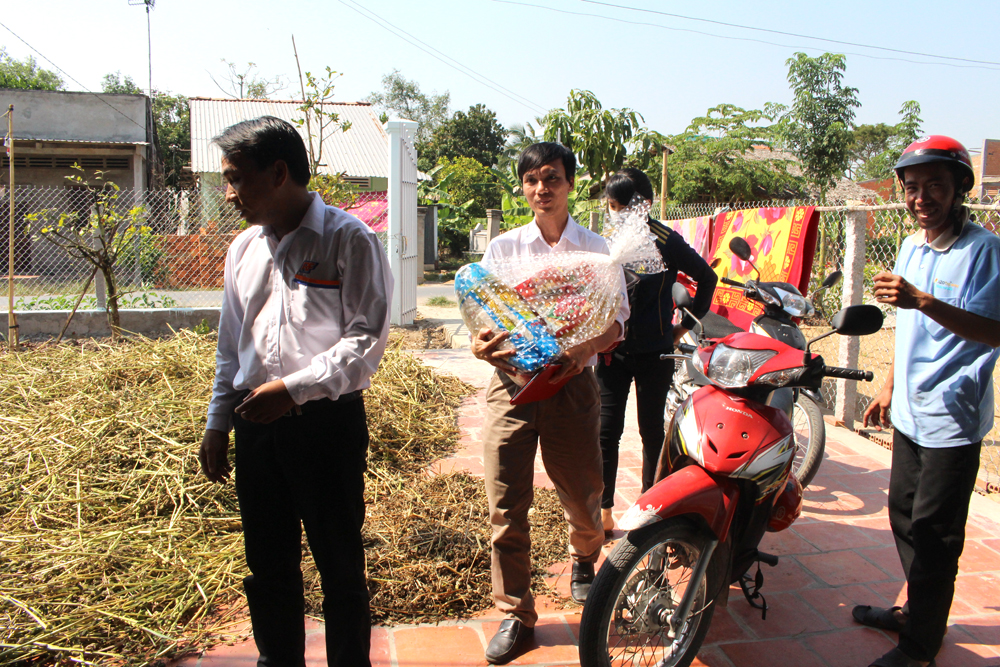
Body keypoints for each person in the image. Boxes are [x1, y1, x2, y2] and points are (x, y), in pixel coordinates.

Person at [198, 116, 393, 667]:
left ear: (279, 173)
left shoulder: (349, 239)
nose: (229, 194)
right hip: (255, 427)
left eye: (236, 179)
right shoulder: (243, 249)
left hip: (326, 428)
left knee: (340, 565)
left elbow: (365, 342)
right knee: (268, 564)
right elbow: (231, 343)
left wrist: (292, 389)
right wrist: (217, 422)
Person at [471, 142, 629, 664]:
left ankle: (585, 555)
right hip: (511, 387)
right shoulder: (503, 250)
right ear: (523, 186)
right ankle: (516, 614)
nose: (542, 188)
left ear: (571, 183)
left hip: (572, 386)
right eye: (532, 179)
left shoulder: (597, 249)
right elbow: (481, 316)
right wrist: (479, 345)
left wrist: (585, 348)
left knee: (584, 496)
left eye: (552, 177)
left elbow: (618, 321)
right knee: (505, 504)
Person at [857, 135, 1000, 667]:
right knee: (903, 515)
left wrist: (923, 299)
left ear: (960, 187)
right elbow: (908, 324)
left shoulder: (984, 251)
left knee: (936, 535)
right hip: (910, 410)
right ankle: (918, 613)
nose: (921, 198)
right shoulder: (911, 247)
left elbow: (993, 330)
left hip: (953, 416)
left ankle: (919, 645)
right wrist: (890, 385)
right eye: (912, 187)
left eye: (935, 185)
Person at [596, 168, 717, 534]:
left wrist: (685, 327)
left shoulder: (665, 240)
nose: (616, 213)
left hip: (656, 352)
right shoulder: (603, 241)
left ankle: (647, 508)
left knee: (651, 431)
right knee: (606, 431)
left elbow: (707, 277)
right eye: (611, 206)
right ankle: (603, 510)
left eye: (623, 206)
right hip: (612, 352)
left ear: (644, 205)